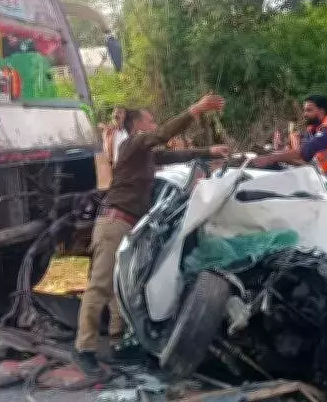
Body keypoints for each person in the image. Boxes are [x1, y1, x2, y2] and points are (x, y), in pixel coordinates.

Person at [73, 95, 230, 378]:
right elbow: (161, 135)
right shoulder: (132, 144)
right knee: (100, 286)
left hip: (129, 226)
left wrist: (209, 151)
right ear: (137, 126)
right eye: (150, 120)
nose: (155, 124)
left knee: (121, 287)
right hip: (114, 223)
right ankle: (84, 348)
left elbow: (175, 156)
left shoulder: (144, 155)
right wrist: (194, 110)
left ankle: (118, 342)